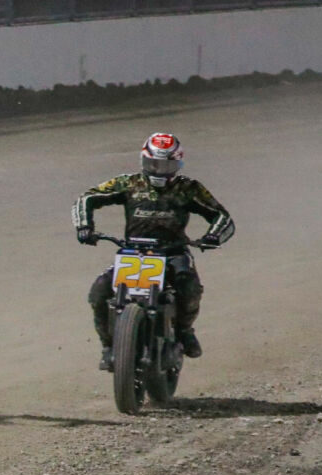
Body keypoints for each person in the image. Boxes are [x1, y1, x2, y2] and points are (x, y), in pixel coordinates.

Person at [74, 132, 234, 369]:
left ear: (177, 164)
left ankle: (184, 331)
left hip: (174, 253)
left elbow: (222, 216)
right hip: (133, 253)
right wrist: (84, 227)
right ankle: (108, 346)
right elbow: (87, 198)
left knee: (189, 288)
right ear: (143, 161)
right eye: (153, 164)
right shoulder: (129, 183)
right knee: (99, 291)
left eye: (166, 165)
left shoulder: (188, 188)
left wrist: (213, 237)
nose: (159, 170)